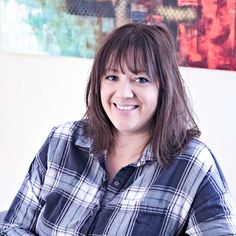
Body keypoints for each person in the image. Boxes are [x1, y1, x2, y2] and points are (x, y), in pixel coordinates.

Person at [0, 23, 236, 235]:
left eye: (140, 79)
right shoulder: (61, 142)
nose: (123, 93)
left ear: (164, 88)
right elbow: (13, 226)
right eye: (112, 77)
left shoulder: (192, 164)